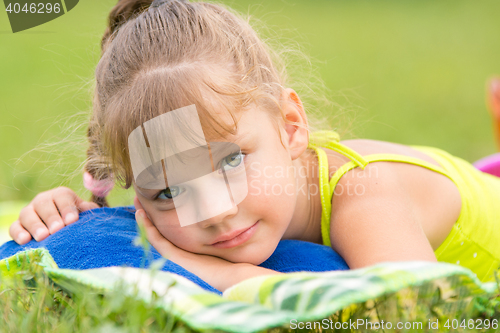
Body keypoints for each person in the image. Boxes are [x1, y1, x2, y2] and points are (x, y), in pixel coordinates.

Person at [8, 0, 500, 291]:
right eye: (169, 192)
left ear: (290, 125)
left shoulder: (362, 194)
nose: (214, 212)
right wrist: (71, 213)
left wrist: (222, 278)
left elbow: (419, 313)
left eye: (230, 162)